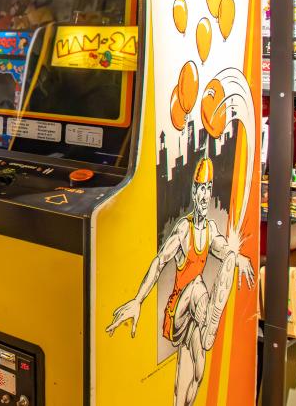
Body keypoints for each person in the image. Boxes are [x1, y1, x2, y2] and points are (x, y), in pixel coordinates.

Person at [105, 156, 255, 406]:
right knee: (196, 286)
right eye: (201, 189)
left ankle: (205, 329)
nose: (205, 196)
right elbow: (159, 261)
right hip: (178, 309)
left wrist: (241, 259)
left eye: (209, 189)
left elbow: (224, 251)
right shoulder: (184, 230)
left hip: (196, 316)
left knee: (196, 373)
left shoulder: (210, 230)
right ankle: (210, 320)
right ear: (194, 192)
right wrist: (137, 300)